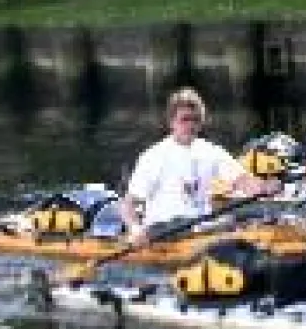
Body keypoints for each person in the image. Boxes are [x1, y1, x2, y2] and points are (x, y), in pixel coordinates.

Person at [120, 87, 280, 243]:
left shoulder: (211, 152)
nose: (190, 125)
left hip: (200, 229)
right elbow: (128, 205)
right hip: (164, 231)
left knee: (240, 221)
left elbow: (243, 181)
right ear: (171, 122)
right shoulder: (154, 157)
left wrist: (265, 187)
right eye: (184, 120)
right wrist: (135, 229)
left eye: (195, 120)